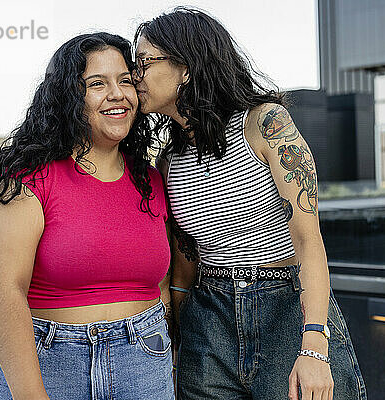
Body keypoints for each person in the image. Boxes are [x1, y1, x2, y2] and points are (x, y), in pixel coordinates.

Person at [132, 7, 366, 400]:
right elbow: (185, 263)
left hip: (289, 308)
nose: (134, 75)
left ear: (186, 67)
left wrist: (314, 346)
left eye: (144, 62)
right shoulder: (168, 160)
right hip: (207, 320)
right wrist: (174, 338)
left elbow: (310, 242)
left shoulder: (265, 125)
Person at [0, 32, 173, 400]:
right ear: (69, 98)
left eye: (126, 80)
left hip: (145, 365)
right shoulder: (26, 181)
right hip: (52, 365)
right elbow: (4, 294)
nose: (117, 94)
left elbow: (161, 288)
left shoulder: (153, 180)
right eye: (97, 84)